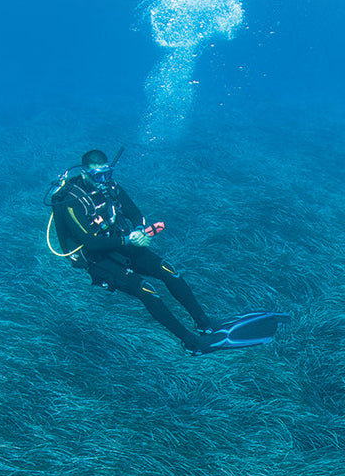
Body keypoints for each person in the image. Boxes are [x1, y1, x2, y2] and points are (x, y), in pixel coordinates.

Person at [48, 149, 288, 354]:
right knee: (146, 290)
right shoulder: (70, 201)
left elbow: (134, 213)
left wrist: (140, 230)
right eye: (98, 175)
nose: (104, 179)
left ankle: (204, 323)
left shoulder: (111, 186)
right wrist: (128, 239)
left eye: (107, 173)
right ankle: (191, 342)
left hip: (123, 244)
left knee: (168, 270)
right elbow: (90, 243)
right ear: (84, 174)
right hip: (98, 257)